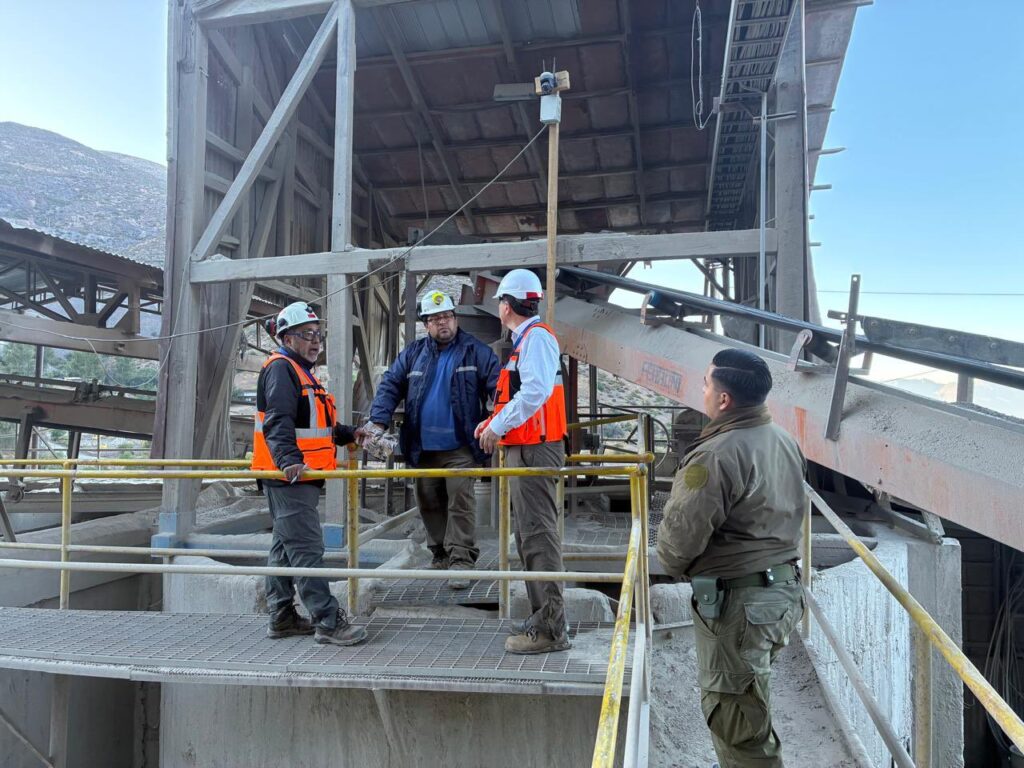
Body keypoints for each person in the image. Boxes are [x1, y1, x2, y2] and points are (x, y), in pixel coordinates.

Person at [656, 348, 806, 768]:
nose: (702, 390)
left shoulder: (715, 453)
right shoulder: (783, 439)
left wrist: (671, 561)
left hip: (739, 605)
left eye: (706, 384)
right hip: (782, 594)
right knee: (750, 704)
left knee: (738, 724)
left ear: (724, 399)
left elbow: (678, 544)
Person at [250, 302, 368, 646]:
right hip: (291, 475)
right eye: (307, 334)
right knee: (305, 548)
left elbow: (316, 426)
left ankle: (282, 616)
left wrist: (349, 433)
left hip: (298, 474)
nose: (316, 341)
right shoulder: (282, 369)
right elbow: (278, 420)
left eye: (318, 334)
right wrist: (288, 460)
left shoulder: (301, 372)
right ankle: (328, 621)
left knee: (284, 548)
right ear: (287, 338)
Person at [364, 290, 499, 589]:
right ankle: (440, 553)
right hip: (423, 447)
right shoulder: (413, 354)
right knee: (428, 500)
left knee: (461, 501)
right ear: (426, 324)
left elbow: (498, 385)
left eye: (447, 316)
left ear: (455, 319)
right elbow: (390, 385)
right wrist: (378, 421)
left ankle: (462, 560)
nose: (443, 323)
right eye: (435, 318)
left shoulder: (475, 351)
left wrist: (499, 421)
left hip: (461, 446)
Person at [475, 269, 569, 655]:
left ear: (507, 306)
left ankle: (551, 629)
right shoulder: (526, 341)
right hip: (527, 447)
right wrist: (493, 422)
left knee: (538, 536)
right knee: (528, 536)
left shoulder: (537, 339)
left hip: (536, 450)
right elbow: (521, 398)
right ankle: (541, 618)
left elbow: (534, 393)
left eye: (501, 300)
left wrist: (497, 426)